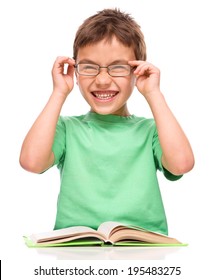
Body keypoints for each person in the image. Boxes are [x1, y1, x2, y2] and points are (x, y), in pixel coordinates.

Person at [19, 8, 194, 235]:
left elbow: (181, 164)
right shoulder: (66, 128)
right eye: (89, 67)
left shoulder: (151, 131)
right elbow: (32, 162)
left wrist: (153, 93)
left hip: (143, 252)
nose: (102, 80)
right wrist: (59, 93)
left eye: (118, 67)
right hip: (77, 252)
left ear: (137, 71)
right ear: (76, 71)